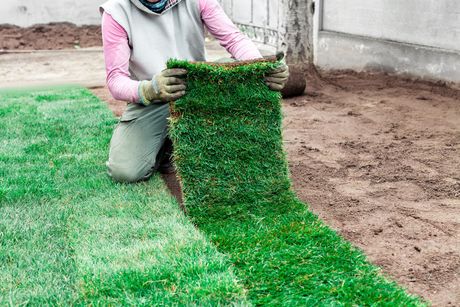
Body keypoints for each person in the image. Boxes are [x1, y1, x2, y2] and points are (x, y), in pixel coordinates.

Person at [100, 0, 289, 183]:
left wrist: (260, 68)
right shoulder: (117, 11)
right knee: (125, 172)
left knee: (232, 71)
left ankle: (191, 141)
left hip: (198, 90)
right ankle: (166, 147)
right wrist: (149, 89)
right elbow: (116, 79)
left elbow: (234, 39)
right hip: (153, 98)